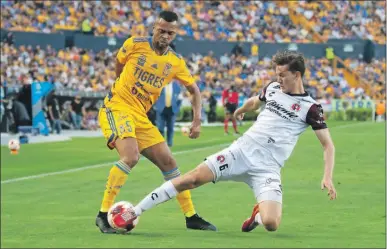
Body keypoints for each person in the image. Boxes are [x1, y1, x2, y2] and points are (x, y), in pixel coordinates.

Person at [111, 50, 337, 232]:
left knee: (271, 224)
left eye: (282, 75)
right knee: (191, 179)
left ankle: (257, 215)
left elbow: (328, 145)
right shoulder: (273, 88)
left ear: (297, 75)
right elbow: (255, 102)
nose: (278, 79)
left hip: (267, 169)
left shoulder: (310, 108)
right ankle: (135, 211)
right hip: (240, 152)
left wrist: (327, 176)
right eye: (276, 74)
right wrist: (240, 110)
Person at [96, 10, 216, 233]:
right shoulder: (134, 44)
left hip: (140, 116)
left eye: (170, 33)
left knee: (169, 162)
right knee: (130, 156)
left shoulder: (175, 62)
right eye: (161, 30)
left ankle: (191, 216)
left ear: (175, 34)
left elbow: (194, 90)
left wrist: (197, 120)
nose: (164, 35)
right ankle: (103, 214)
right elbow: (119, 64)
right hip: (117, 107)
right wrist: (120, 86)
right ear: (154, 28)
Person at [155, 81, 181, 147]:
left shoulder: (176, 86)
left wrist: (177, 108)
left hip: (172, 110)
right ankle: (161, 143)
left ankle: (169, 143)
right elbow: (154, 95)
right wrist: (156, 106)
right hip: (161, 109)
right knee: (160, 127)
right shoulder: (160, 84)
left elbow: (180, 98)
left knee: (171, 127)